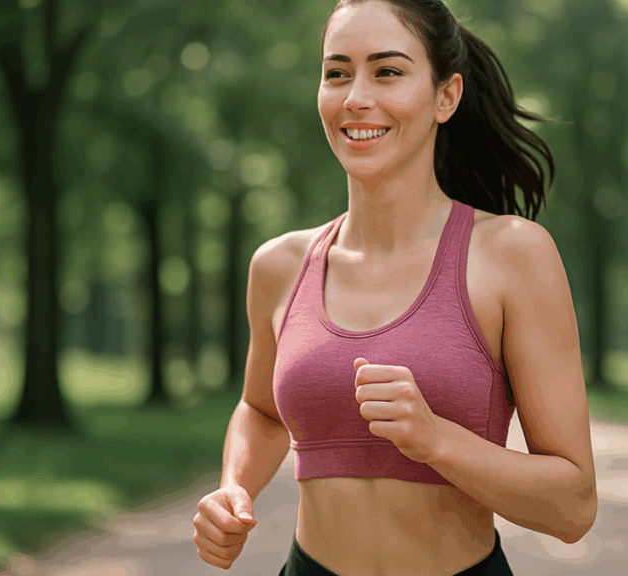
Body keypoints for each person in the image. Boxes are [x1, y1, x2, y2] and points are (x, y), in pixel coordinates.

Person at [192, 0, 597, 574]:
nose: (356, 96)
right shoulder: (279, 265)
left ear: (445, 96)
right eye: (337, 72)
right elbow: (261, 411)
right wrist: (234, 487)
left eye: (387, 71)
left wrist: (438, 441)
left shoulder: (512, 255)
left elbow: (575, 507)